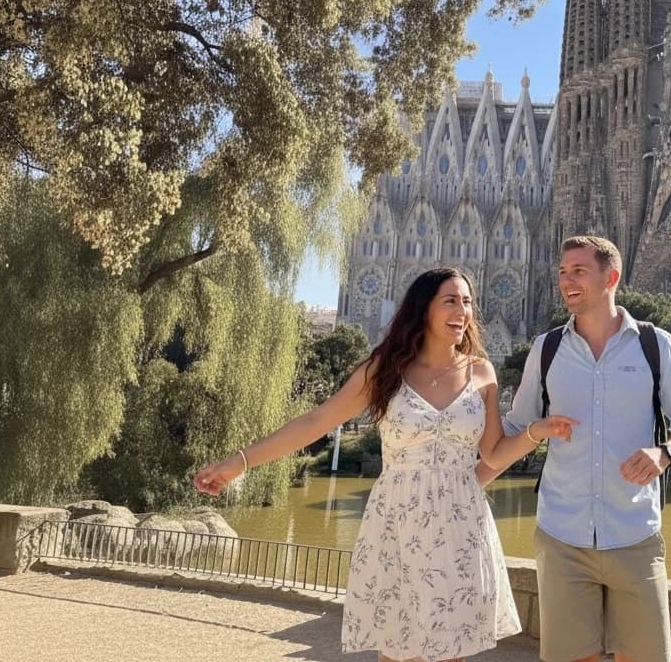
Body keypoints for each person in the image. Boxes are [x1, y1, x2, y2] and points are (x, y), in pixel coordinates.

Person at [193, 267, 576, 662]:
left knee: (452, 652)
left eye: (467, 302)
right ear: (423, 309)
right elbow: (316, 421)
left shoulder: (481, 372)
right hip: (398, 523)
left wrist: (536, 431)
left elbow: (494, 454)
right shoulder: (386, 370)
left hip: (461, 524)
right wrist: (239, 462)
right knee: (398, 649)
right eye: (450, 300)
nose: (462, 310)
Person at [503, 236, 671, 662]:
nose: (566, 281)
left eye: (578, 271)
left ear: (610, 277)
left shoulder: (656, 346)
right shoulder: (547, 350)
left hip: (634, 533)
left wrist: (665, 453)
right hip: (562, 536)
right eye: (562, 272)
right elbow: (514, 426)